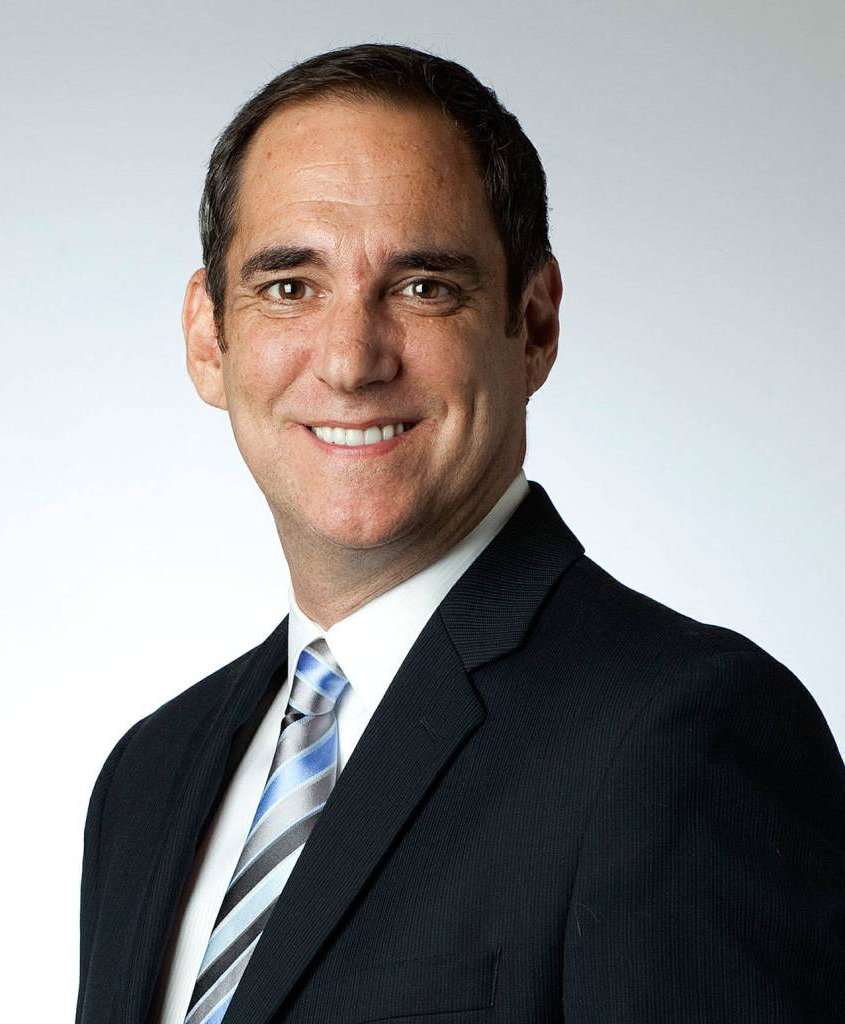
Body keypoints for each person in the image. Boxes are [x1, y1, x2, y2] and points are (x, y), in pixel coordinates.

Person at [75, 43, 845, 1024]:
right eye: (289, 286)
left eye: (423, 286)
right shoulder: (147, 777)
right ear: (206, 337)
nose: (351, 360)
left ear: (534, 324)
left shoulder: (681, 739)